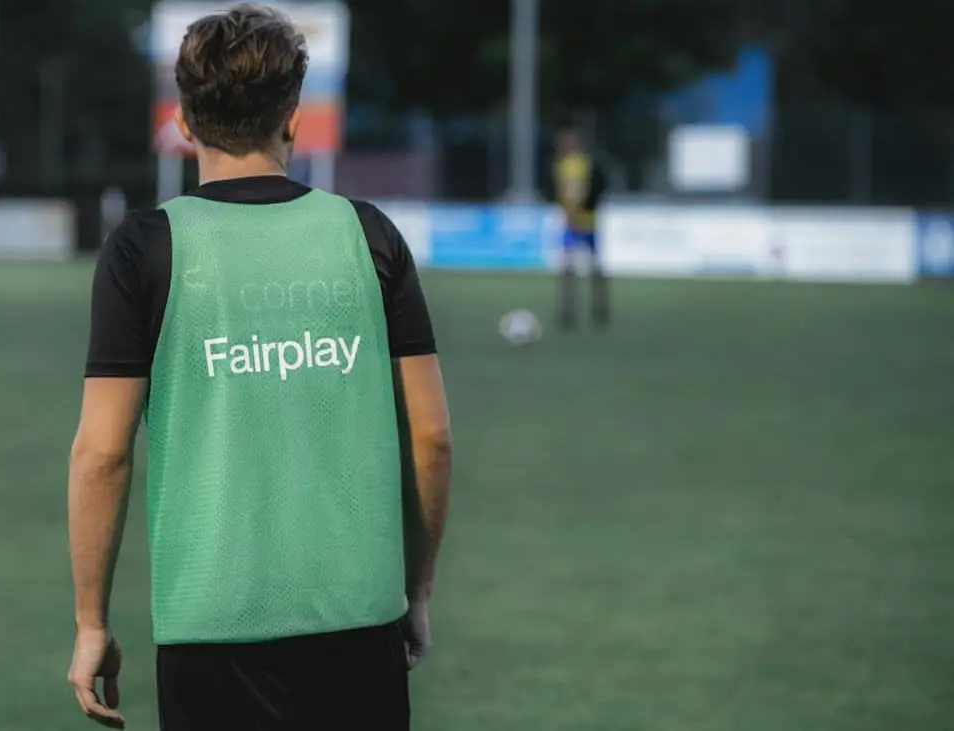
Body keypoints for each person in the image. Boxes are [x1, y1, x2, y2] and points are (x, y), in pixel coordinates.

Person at [64, 5, 454, 730]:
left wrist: (92, 622)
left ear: (183, 119)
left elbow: (102, 452)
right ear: (295, 118)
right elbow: (431, 438)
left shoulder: (143, 248)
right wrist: (417, 590)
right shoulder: (368, 234)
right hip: (359, 614)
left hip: (211, 621)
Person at [543, 120, 610, 329]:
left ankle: (598, 307)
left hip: (585, 222)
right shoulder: (561, 164)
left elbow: (579, 190)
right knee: (569, 268)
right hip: (572, 223)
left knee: (591, 267)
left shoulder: (580, 164)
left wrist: (577, 208)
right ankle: (570, 310)